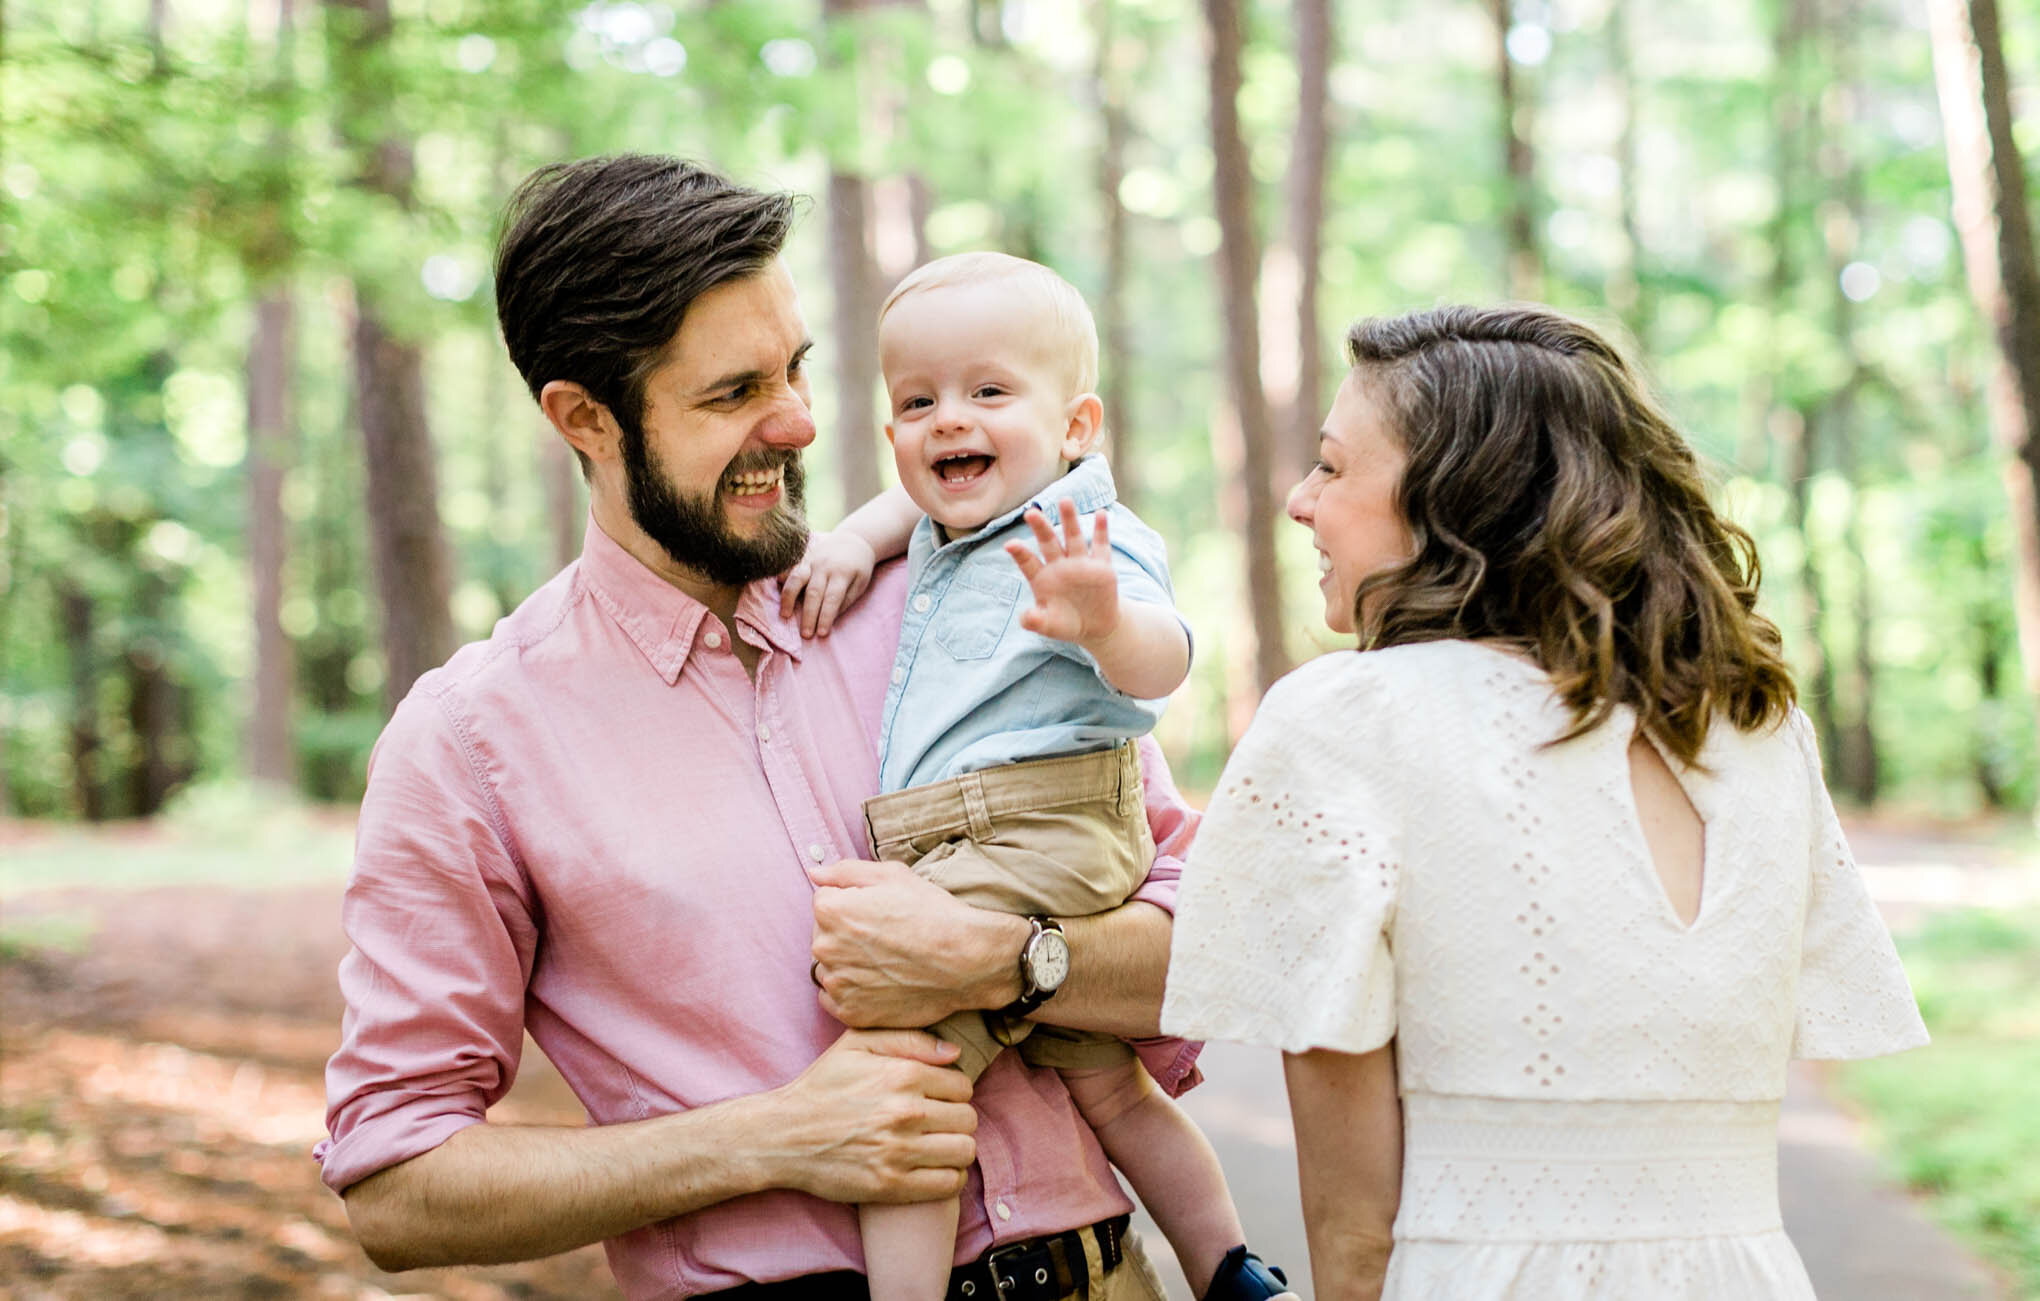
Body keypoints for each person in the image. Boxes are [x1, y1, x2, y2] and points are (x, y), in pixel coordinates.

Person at [317, 155, 1205, 1300]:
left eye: (795, 370)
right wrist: (774, 1136)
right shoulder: (473, 741)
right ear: (584, 418)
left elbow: (1208, 951)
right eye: (733, 394)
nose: (795, 423)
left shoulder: (980, 603)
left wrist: (1013, 961)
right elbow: (396, 1183)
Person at [1159, 304, 1930, 1300]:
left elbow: (1353, 1233)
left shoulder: (1348, 722)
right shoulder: (1756, 730)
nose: (1299, 502)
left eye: (1333, 466)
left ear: (1454, 497)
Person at [786, 253, 1294, 1301]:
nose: (943, 420)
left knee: (904, 1073)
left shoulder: (1077, 536)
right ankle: (1229, 1268)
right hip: (981, 834)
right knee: (1107, 1084)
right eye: (916, 401)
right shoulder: (935, 526)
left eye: (985, 392)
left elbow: (1167, 659)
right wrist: (846, 539)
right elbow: (900, 508)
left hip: (1040, 819)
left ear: (1073, 427)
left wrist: (1102, 623)